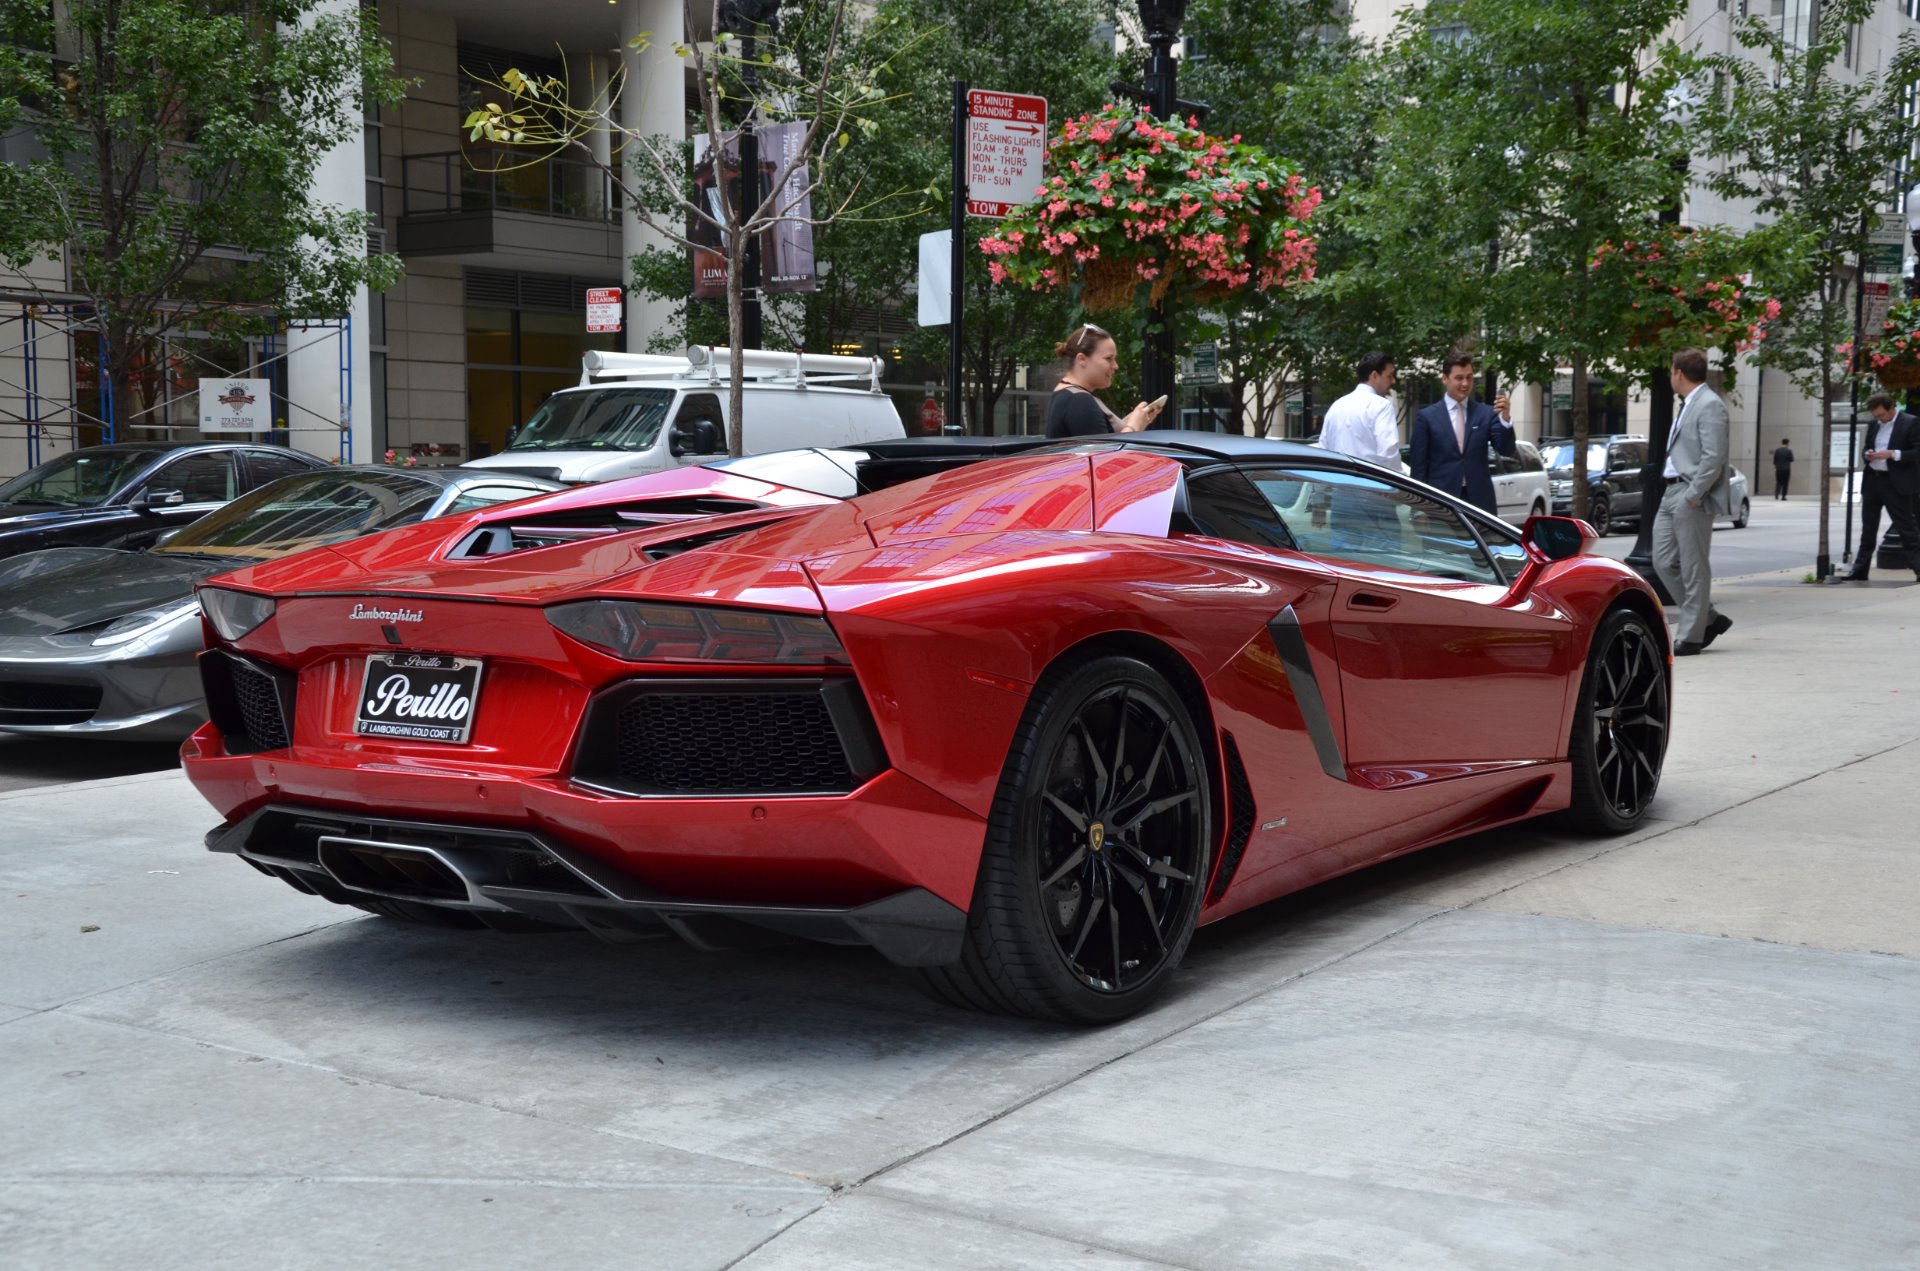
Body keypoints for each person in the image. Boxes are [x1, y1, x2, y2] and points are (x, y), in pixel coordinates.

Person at [1652, 348, 1734, 656]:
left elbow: (1714, 457)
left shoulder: (1710, 405)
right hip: (1670, 490)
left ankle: (1691, 636)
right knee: (1662, 561)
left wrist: (1694, 493)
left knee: (1693, 567)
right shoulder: (1689, 404)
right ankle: (1708, 619)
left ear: (1679, 374)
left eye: (1672, 370)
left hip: (1690, 494)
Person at [1409, 353, 1516, 513]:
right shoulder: (1427, 417)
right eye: (1459, 378)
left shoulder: (1486, 413)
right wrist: (1418, 509)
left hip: (1479, 504)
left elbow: (1506, 450)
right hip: (1441, 502)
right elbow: (1418, 467)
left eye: (1469, 378)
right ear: (1445, 378)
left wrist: (1505, 418)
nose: (1465, 383)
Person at [1841, 393, 1920, 583]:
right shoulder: (1873, 425)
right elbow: (1866, 446)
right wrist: (1867, 453)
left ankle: (1918, 568)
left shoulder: (1911, 422)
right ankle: (1860, 570)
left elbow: (1917, 451)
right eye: (1876, 416)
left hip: (1896, 483)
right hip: (1873, 481)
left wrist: (1893, 454)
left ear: (1891, 408)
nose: (1879, 419)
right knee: (1868, 529)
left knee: (1906, 528)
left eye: (1881, 415)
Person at [1045, 324, 1161, 438]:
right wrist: (1134, 426)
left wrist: (1137, 420)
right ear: (1082, 359)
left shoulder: (1069, 394)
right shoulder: (1079, 400)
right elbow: (1104, 455)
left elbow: (1104, 438)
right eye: (1108, 358)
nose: (1115, 366)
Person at [1319, 352, 1403, 472]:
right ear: (1374, 375)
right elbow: (1388, 453)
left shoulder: (1336, 406)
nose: (1393, 381)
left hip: (1336, 485)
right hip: (1370, 485)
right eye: (1389, 376)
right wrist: (1401, 481)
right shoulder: (1381, 405)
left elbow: (1323, 450)